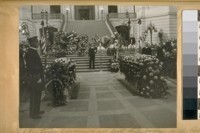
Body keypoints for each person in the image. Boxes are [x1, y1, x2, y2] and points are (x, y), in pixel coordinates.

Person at [25, 36, 45, 119]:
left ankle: (37, 110)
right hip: (34, 77)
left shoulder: (33, 51)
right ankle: (33, 113)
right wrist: (38, 77)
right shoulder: (29, 53)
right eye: (36, 41)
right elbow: (31, 67)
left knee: (38, 94)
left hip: (37, 76)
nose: (38, 43)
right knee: (34, 95)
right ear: (32, 43)